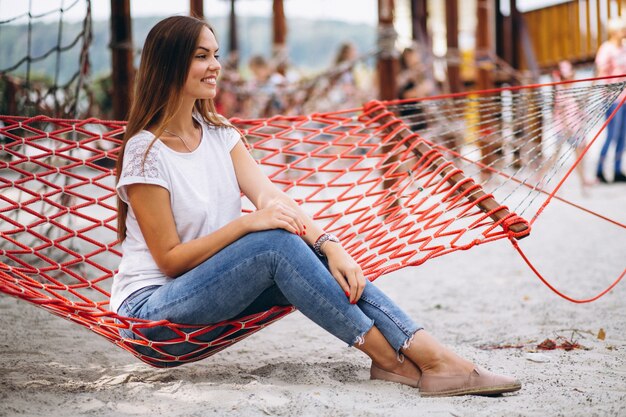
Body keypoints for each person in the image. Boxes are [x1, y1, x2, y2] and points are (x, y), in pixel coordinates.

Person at [111, 15, 521, 397]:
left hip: (208, 294)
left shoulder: (220, 135)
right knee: (274, 242)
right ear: (168, 64)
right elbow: (169, 260)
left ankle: (415, 358)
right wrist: (247, 224)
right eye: (201, 56)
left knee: (303, 252)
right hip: (151, 317)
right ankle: (413, 359)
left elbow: (272, 199)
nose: (215, 65)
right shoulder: (145, 152)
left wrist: (330, 245)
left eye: (215, 55)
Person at [594, 17, 626, 183]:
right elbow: (601, 73)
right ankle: (599, 170)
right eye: (622, 29)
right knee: (611, 135)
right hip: (611, 98)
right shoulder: (606, 49)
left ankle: (617, 170)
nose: (625, 32)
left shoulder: (625, 47)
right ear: (614, 32)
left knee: (623, 136)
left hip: (625, 98)